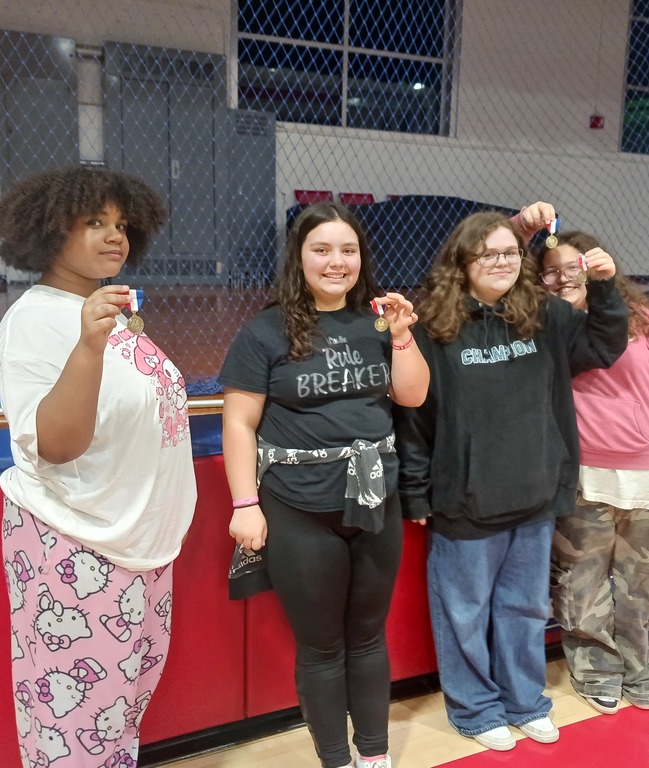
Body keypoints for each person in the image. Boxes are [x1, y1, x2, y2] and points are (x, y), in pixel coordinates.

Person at [394, 207, 629, 752]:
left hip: (534, 493)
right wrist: (416, 488)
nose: (500, 262)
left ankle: (525, 701)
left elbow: (604, 343)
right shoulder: (435, 326)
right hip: (465, 498)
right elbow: (413, 416)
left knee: (524, 608)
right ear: (463, 261)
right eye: (487, 253)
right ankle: (475, 710)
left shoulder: (544, 315)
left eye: (508, 253)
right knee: (465, 613)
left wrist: (606, 285)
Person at [0, 165, 197, 768]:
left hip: (138, 548)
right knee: (72, 729)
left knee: (116, 717)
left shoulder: (105, 308)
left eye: (122, 224)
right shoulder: (33, 322)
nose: (115, 237)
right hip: (76, 547)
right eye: (95, 222)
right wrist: (85, 348)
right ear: (50, 231)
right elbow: (54, 444)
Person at [219, 201, 429, 768]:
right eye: (322, 249)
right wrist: (245, 504)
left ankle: (375, 758)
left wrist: (405, 334)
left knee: (367, 637)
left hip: (374, 501)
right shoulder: (265, 330)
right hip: (298, 508)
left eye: (348, 250)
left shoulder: (380, 320)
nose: (336, 262)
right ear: (300, 257)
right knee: (322, 646)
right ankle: (336, 760)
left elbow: (411, 396)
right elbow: (238, 423)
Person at [539, 230, 649, 714]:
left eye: (570, 268)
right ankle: (596, 670)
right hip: (580, 479)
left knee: (646, 583)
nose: (559, 279)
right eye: (549, 270)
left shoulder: (643, 323)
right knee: (580, 583)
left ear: (595, 268)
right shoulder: (542, 329)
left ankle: (644, 669)